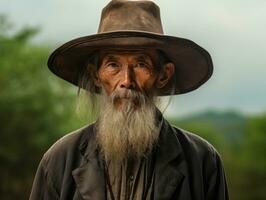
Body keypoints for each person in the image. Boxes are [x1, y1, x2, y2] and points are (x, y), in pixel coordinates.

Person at [30, 0, 229, 199]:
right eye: (113, 65)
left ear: (163, 75)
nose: (126, 81)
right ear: (95, 75)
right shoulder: (60, 159)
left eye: (141, 64)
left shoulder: (203, 160)